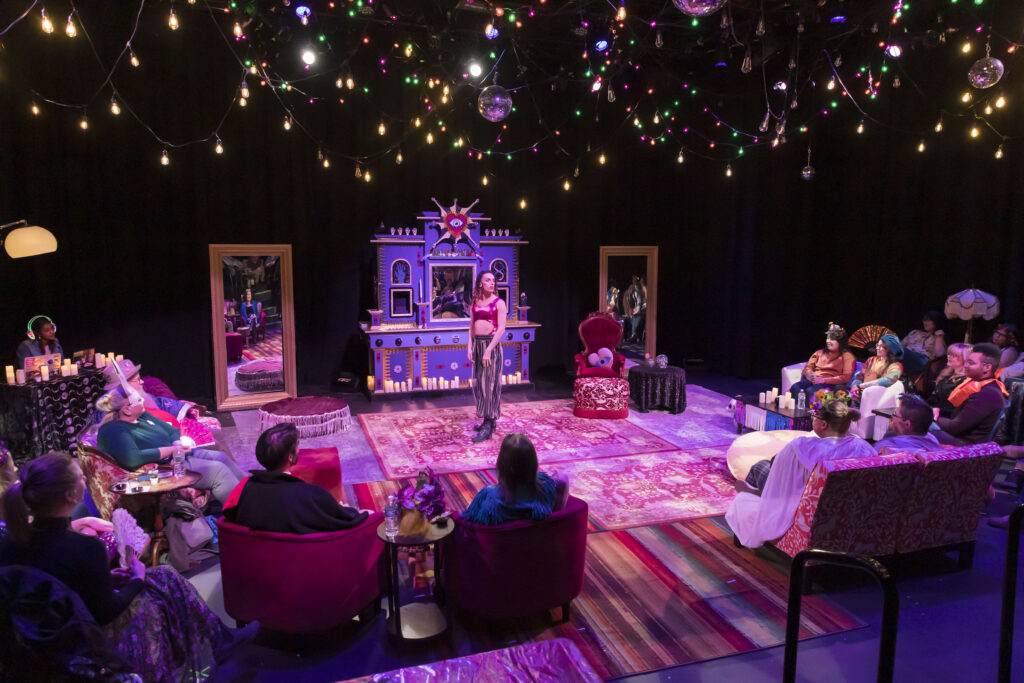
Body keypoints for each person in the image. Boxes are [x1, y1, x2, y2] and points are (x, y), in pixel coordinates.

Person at [0, 453, 251, 680]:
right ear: (69, 495)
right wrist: (136, 579)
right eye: (79, 477)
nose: (84, 480)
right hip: (85, 639)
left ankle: (220, 640)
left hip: (36, 634)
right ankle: (219, 641)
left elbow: (53, 585)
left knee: (164, 574)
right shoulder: (85, 548)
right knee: (165, 584)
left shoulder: (9, 545)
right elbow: (107, 612)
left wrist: (107, 578)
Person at [726, 393, 875, 548]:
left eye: (814, 416)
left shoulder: (804, 447)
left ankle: (754, 501)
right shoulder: (864, 447)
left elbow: (778, 471)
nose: (812, 419)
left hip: (804, 507)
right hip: (847, 509)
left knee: (760, 467)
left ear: (824, 424)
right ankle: (754, 495)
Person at [96, 386, 242, 503]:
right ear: (126, 409)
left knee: (221, 457)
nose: (142, 399)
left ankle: (252, 490)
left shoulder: (142, 415)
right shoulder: (114, 431)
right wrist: (172, 450)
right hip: (159, 471)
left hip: (178, 458)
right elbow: (132, 458)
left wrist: (177, 443)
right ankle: (243, 514)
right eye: (138, 399)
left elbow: (172, 431)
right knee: (218, 471)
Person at [223, 423, 368, 534]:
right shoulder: (310, 494)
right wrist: (347, 509)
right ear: (291, 457)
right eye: (297, 445)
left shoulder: (243, 489)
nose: (299, 449)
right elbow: (349, 520)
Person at [461, 433, 569, 525]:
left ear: (502, 463)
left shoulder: (490, 498)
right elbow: (562, 481)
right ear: (533, 462)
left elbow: (468, 520)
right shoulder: (546, 487)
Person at [933, 342, 1008, 445]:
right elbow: (959, 415)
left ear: (987, 368)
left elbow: (955, 427)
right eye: (966, 362)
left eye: (971, 363)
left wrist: (929, 417)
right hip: (958, 436)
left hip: (966, 445)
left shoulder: (988, 394)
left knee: (916, 425)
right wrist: (938, 411)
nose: (965, 366)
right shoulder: (980, 386)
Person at [467, 270, 508, 443]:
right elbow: (471, 327)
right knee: (480, 384)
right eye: (488, 280)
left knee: (490, 385)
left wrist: (488, 350)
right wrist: (469, 347)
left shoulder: (499, 303)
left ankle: (488, 423)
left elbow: (501, 329)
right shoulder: (475, 302)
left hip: (491, 346)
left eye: (493, 280)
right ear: (480, 284)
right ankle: (488, 420)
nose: (492, 283)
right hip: (479, 345)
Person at [788, 323, 857, 398]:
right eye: (827, 338)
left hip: (831, 384)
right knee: (795, 388)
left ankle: (809, 410)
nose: (828, 341)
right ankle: (798, 409)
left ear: (840, 342)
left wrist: (823, 380)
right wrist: (811, 376)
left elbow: (846, 377)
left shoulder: (847, 356)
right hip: (814, 380)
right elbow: (808, 367)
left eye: (832, 339)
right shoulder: (819, 353)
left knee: (810, 392)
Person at [874, 395, 942, 454]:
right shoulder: (933, 440)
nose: (892, 417)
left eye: (895, 415)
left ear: (907, 424)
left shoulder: (885, 448)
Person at [851, 334, 904, 401]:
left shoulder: (897, 365)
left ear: (889, 349)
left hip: (880, 399)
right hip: (863, 394)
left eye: (881, 346)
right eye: (877, 345)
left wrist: (861, 386)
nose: (877, 348)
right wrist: (855, 386)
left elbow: (888, 380)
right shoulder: (871, 360)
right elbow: (860, 376)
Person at [927, 343, 973, 417]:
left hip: (945, 420)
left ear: (965, 359)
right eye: (949, 354)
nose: (949, 356)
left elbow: (958, 411)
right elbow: (932, 399)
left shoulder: (966, 383)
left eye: (954, 355)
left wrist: (937, 411)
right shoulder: (946, 377)